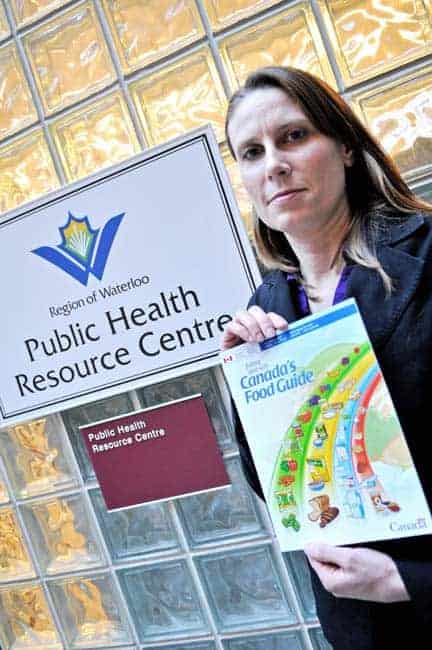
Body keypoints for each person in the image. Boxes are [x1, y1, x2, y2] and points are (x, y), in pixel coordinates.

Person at [220, 65, 432, 649]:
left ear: (345, 147)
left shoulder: (427, 254)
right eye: (252, 152)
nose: (273, 165)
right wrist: (246, 380)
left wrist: (409, 582)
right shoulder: (268, 305)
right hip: (358, 629)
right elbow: (282, 486)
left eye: (293, 136)